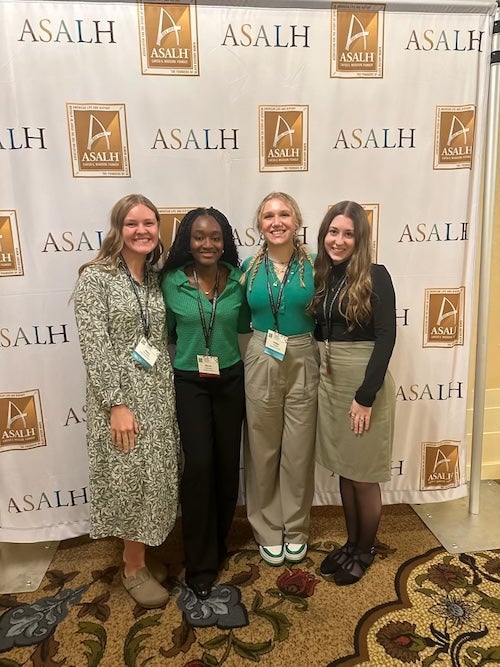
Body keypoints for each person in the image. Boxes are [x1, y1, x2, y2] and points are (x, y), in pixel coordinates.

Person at [73, 194, 180, 608]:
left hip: (156, 394)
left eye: (149, 223)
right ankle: (132, 568)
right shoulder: (96, 278)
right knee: (130, 481)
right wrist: (116, 404)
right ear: (118, 229)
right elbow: (95, 349)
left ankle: (143, 557)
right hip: (121, 401)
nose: (142, 231)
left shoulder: (153, 280)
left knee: (152, 479)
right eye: (133, 223)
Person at [160, 207, 250, 600]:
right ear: (187, 241)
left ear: (224, 239)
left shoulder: (239, 281)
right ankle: (200, 561)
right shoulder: (171, 282)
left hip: (231, 379)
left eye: (215, 236)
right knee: (198, 465)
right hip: (190, 382)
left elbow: (249, 323)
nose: (207, 244)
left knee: (227, 465)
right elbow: (162, 332)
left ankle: (219, 541)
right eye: (199, 237)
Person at [312, 200, 396, 586]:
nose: (339, 240)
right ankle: (350, 543)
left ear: (359, 239)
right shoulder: (324, 276)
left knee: (363, 474)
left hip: (363, 384)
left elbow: (385, 337)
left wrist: (366, 395)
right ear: (324, 234)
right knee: (345, 469)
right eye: (333, 231)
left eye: (348, 233)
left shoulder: (376, 276)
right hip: (331, 382)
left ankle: (366, 549)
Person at [242, 192, 319, 567]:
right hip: (261, 356)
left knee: (299, 449)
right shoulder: (248, 268)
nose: (277, 221)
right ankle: (268, 527)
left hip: (303, 355)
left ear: (297, 220)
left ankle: (296, 527)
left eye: (284, 213)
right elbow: (238, 319)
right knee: (263, 448)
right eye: (269, 215)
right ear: (260, 225)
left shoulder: (316, 265)